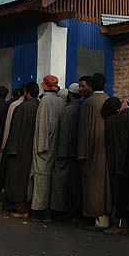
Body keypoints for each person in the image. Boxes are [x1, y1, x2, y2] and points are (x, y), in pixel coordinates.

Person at [77, 73, 112, 230]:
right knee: (106, 186)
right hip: (108, 150)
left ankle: (95, 216)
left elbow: (83, 131)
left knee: (92, 185)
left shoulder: (88, 103)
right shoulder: (109, 101)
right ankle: (105, 217)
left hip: (91, 150)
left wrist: (81, 153)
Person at [31, 75, 67, 222]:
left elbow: (42, 125)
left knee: (41, 178)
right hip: (56, 145)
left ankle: (40, 209)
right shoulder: (61, 101)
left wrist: (41, 147)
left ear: (44, 86)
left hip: (44, 146)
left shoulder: (45, 101)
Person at [3, 82, 40, 217]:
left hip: (20, 149)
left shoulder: (22, 107)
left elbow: (15, 131)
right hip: (34, 149)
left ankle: (20, 208)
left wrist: (11, 150)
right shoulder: (39, 106)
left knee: (17, 179)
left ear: (26, 92)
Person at [101, 96, 129, 234]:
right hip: (128, 160)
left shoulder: (109, 122)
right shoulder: (126, 117)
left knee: (119, 195)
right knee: (128, 193)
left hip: (116, 162)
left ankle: (122, 223)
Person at [51, 83, 83, 217]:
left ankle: (61, 210)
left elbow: (64, 133)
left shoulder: (68, 109)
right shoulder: (82, 107)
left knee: (62, 183)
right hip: (78, 151)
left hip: (66, 151)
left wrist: (61, 153)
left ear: (70, 95)